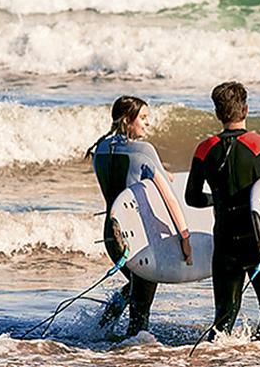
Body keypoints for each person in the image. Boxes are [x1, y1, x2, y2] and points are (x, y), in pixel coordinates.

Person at [184, 82, 260, 339]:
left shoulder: (205, 149)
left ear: (218, 114)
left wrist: (217, 200)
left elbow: (192, 198)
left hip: (224, 242)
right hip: (259, 242)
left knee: (223, 320)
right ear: (246, 109)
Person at [88, 95, 192, 338]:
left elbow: (126, 172)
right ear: (127, 120)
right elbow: (169, 197)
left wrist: (158, 168)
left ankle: (101, 329)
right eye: (143, 118)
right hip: (137, 238)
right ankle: (133, 349)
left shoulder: (100, 149)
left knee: (137, 285)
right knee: (142, 300)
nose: (148, 123)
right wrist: (184, 238)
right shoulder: (145, 150)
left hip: (111, 236)